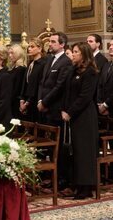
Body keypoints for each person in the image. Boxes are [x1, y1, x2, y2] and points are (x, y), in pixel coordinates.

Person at [61, 42, 99, 199]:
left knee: (84, 152)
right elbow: (67, 92)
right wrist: (64, 109)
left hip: (85, 116)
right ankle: (77, 185)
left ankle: (87, 188)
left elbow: (85, 97)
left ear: (83, 54)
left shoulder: (91, 72)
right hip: (74, 115)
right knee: (75, 152)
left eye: (76, 52)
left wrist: (70, 112)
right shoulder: (73, 70)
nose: (73, 54)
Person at [37, 32, 73, 190]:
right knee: (50, 145)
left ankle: (62, 178)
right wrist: (40, 100)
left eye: (52, 42)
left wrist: (45, 101)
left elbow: (59, 87)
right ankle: (52, 176)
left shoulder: (66, 62)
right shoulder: (50, 59)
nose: (49, 44)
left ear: (62, 44)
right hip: (45, 109)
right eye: (49, 41)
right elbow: (42, 83)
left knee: (59, 147)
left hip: (56, 109)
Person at [20, 38, 46, 122]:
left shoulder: (43, 64)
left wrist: (27, 103)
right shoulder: (31, 63)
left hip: (35, 102)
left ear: (39, 48)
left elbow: (37, 85)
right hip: (27, 101)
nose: (29, 49)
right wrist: (22, 99)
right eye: (29, 46)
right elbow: (25, 83)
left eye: (32, 46)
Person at [8, 44, 27, 119]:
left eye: (12, 53)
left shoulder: (21, 69)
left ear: (18, 54)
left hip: (15, 102)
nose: (10, 55)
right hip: (11, 101)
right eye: (9, 53)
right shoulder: (13, 68)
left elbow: (17, 88)